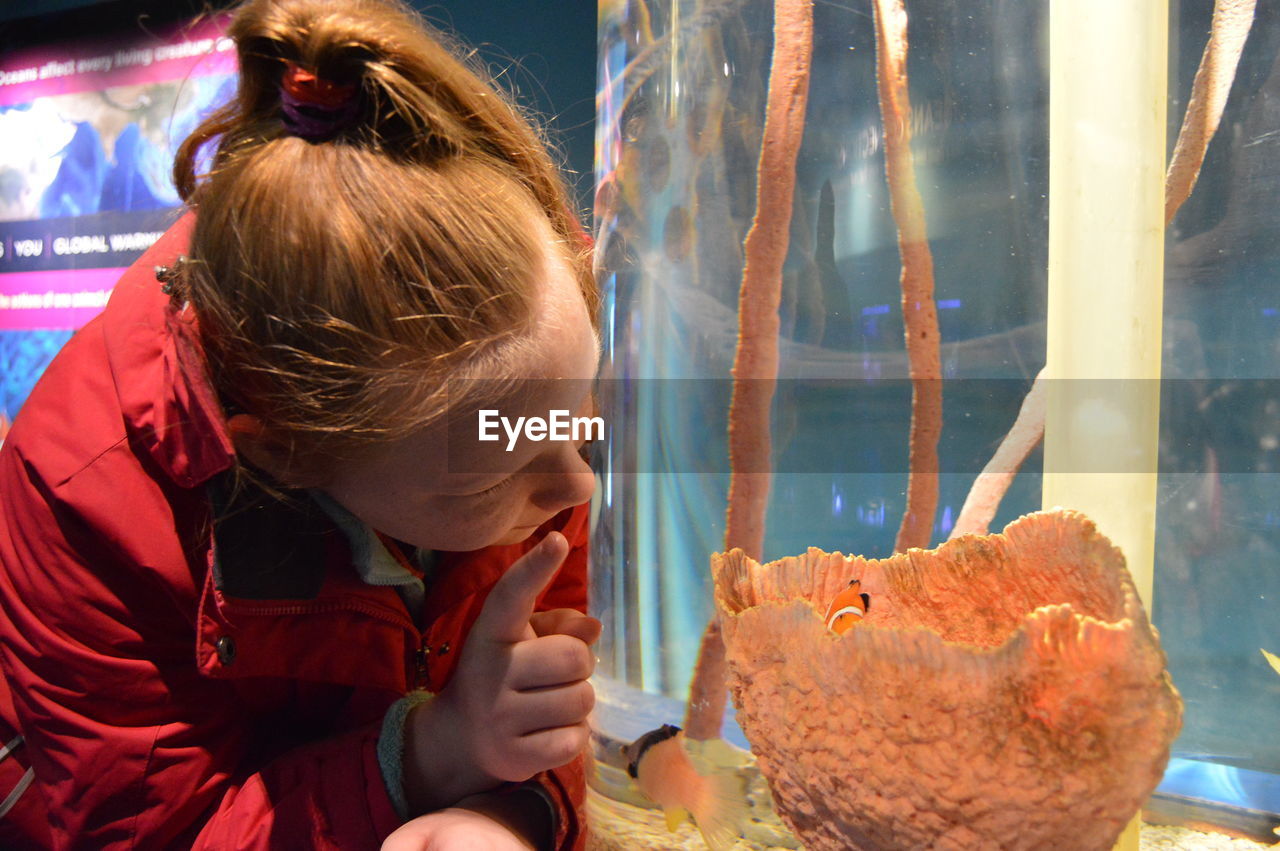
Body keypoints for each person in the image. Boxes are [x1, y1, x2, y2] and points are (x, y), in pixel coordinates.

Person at [0, 0, 602, 848]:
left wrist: (511, 808)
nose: (577, 483)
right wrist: (428, 753)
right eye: (488, 475)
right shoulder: (81, 492)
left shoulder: (514, 375)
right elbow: (151, 830)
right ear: (286, 450)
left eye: (584, 417)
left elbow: (541, 683)